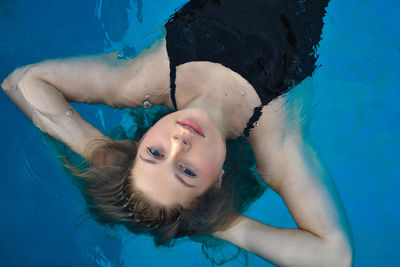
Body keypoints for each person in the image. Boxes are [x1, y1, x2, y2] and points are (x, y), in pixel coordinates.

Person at [1, 0, 354, 265]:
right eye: (186, 171)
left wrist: (101, 151)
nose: (177, 145)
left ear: (138, 142)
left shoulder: (144, 80)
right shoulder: (274, 136)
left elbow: (22, 82)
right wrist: (217, 223)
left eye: (153, 154)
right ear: (217, 182)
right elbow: (334, 256)